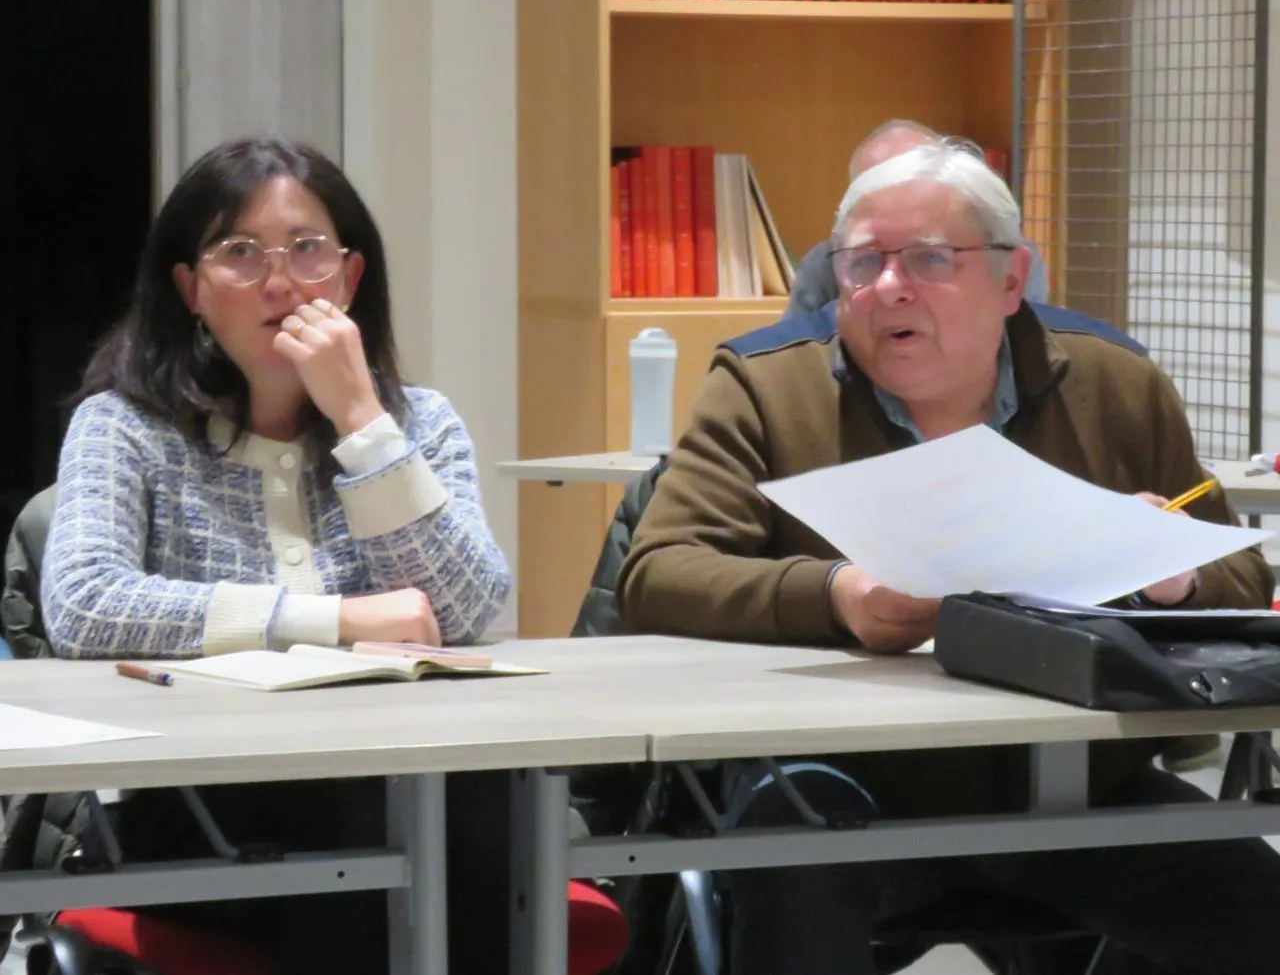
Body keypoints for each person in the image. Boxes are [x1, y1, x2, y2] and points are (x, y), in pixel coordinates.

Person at [617, 141, 1280, 975]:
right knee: (790, 858)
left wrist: (1169, 571)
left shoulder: (1116, 384)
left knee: (1256, 911)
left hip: (1077, 787)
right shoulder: (764, 387)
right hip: (844, 779)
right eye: (863, 262)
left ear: (1010, 278)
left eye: (930, 259)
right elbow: (661, 570)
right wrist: (837, 597)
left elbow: (1242, 579)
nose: (890, 286)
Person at [40, 136, 512, 973]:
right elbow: (85, 602)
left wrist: (363, 423)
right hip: (197, 799)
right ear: (190, 289)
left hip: (398, 778)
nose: (281, 281)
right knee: (385, 833)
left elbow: (467, 608)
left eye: (307, 249)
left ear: (350, 278)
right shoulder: (124, 426)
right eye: (240, 252)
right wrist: (332, 621)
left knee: (470, 812)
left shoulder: (420, 424)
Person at [784, 117, 1052, 319]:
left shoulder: (1004, 254)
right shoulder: (827, 261)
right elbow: (797, 351)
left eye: (929, 258)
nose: (890, 287)